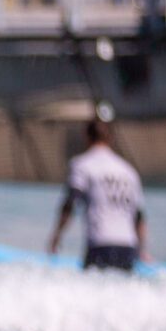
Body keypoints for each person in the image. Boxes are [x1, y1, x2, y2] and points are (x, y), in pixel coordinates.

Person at [47, 115, 147, 272]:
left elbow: (71, 201)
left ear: (86, 136)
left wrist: (56, 235)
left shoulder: (82, 165)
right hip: (128, 246)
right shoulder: (128, 171)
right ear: (111, 138)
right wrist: (142, 250)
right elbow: (139, 216)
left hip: (100, 243)